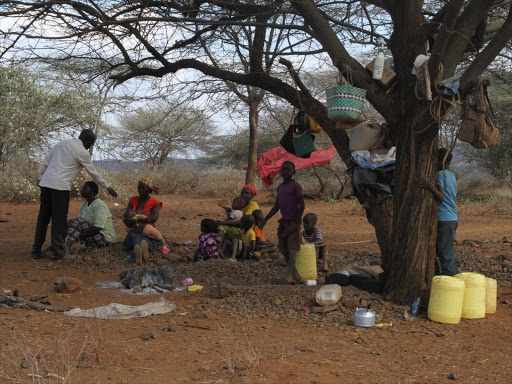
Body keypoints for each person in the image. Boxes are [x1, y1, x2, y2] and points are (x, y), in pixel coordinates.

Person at [32, 129, 118, 260]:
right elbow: (93, 172)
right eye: (91, 144)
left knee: (43, 218)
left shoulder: (62, 143)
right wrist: (107, 187)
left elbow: (45, 162)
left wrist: (40, 177)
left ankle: (36, 250)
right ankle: (58, 252)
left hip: (46, 184)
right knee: (58, 221)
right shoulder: (81, 152)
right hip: (60, 187)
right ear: (87, 141)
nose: (91, 147)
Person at [418, 148, 459, 276]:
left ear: (441, 161)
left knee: (445, 252)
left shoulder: (441, 175)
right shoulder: (451, 175)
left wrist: (429, 185)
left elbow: (441, 197)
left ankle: (451, 279)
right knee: (443, 249)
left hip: (445, 219)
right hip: (451, 218)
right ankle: (443, 275)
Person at [263, 161, 305, 284]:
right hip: (283, 222)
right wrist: (266, 219)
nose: (285, 172)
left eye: (288, 169)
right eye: (283, 169)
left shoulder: (296, 186)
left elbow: (302, 205)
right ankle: (296, 275)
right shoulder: (280, 187)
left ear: (293, 172)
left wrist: (297, 221)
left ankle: (289, 276)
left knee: (292, 250)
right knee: (284, 250)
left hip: (293, 222)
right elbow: (277, 206)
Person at [65, 181, 116, 252]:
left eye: (85, 188)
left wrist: (80, 235)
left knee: (76, 222)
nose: (81, 190)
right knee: (69, 223)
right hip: (92, 235)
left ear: (92, 191)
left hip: (105, 237)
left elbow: (98, 227)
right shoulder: (84, 204)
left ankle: (65, 251)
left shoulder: (99, 205)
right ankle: (56, 246)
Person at [123, 177, 163, 265]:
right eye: (139, 187)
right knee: (133, 235)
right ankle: (142, 249)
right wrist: (133, 225)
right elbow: (126, 217)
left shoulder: (155, 202)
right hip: (134, 229)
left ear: (149, 190)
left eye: (143, 188)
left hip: (147, 229)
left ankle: (139, 249)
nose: (140, 190)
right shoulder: (133, 200)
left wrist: (142, 222)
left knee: (138, 237)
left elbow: (154, 217)